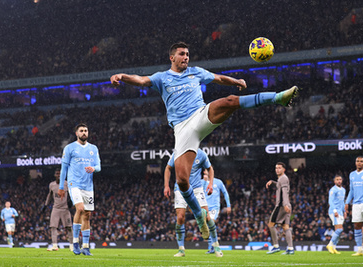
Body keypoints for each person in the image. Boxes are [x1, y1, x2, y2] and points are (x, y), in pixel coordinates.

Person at [111, 42, 299, 239]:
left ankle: (278, 98)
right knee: (182, 181)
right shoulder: (162, 77)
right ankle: (201, 219)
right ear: (172, 58)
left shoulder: (195, 72)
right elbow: (140, 80)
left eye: (187, 54)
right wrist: (122, 77)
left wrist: (235, 81)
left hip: (200, 115)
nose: (186, 57)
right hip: (182, 129)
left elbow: (217, 78)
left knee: (229, 101)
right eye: (182, 54)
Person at [164, 148, 223, 257]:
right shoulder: (178, 152)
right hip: (180, 188)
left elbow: (210, 169)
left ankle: (216, 246)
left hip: (197, 188)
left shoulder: (201, 154)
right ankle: (181, 249)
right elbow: (168, 168)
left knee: (207, 217)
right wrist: (166, 186)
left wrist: (210, 184)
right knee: (180, 217)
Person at [58, 123, 101, 256]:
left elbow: (99, 166)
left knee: (87, 215)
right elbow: (64, 168)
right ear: (76, 133)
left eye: (86, 130)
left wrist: (94, 168)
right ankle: (75, 242)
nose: (84, 133)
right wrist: (61, 187)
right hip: (74, 183)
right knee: (80, 209)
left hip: (88, 186)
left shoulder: (93, 148)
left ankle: (86, 247)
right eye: (81, 131)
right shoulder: (70, 148)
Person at [265, 162, 294, 255]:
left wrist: (285, 204)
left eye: (279, 168)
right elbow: (279, 186)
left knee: (271, 224)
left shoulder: (284, 178)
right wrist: (272, 182)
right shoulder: (281, 179)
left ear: (283, 169)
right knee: (286, 227)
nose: (277, 169)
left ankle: (276, 246)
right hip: (286, 205)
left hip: (281, 206)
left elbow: (284, 192)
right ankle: (290, 248)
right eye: (276, 168)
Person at [42, 168, 74, 251]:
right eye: (57, 174)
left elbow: (72, 193)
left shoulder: (67, 184)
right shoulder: (52, 185)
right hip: (55, 209)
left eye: (60, 174)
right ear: (55, 175)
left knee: (69, 227)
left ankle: (72, 245)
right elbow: (49, 195)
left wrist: (72, 201)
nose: (58, 175)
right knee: (53, 227)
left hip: (65, 209)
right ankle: (55, 245)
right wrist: (45, 205)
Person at [201, 169, 231, 254]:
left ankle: (213, 247)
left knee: (211, 223)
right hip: (205, 207)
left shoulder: (218, 182)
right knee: (208, 226)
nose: (204, 172)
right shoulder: (201, 182)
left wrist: (228, 206)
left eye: (206, 170)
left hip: (214, 207)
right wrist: (204, 182)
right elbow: (200, 193)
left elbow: (225, 193)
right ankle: (212, 247)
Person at [326, 175, 347, 254]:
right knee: (339, 229)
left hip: (340, 212)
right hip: (334, 211)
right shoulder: (333, 190)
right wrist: (335, 211)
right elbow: (330, 201)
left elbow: (342, 202)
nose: (339, 181)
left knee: (338, 231)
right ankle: (330, 245)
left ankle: (334, 248)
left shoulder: (343, 190)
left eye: (340, 179)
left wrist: (344, 211)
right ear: (334, 181)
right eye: (337, 179)